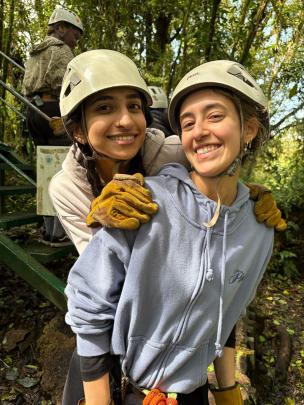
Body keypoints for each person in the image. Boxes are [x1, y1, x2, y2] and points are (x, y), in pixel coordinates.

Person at [64, 59, 276, 405]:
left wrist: (227, 392)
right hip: (120, 372)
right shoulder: (126, 198)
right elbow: (91, 296)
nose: (199, 130)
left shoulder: (259, 228)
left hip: (188, 390)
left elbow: (228, 312)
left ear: (249, 129)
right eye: (188, 122)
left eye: (215, 115)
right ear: (79, 131)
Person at [22, 7, 83, 246]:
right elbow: (67, 84)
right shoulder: (62, 50)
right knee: (62, 167)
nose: (75, 42)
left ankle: (48, 229)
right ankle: (59, 231)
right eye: (74, 36)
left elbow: (27, 85)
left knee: (46, 168)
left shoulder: (35, 52)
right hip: (54, 112)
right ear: (61, 28)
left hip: (34, 112)